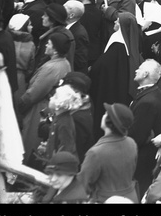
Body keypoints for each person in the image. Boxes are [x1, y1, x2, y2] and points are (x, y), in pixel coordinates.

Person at [18, 31, 72, 167]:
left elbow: (33, 94)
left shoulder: (51, 68)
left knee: (30, 145)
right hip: (48, 109)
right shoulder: (65, 63)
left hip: (38, 110)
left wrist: (19, 107)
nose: (46, 45)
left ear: (54, 49)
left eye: (49, 43)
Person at [78, 102, 139, 203]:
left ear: (109, 122)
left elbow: (82, 185)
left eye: (106, 114)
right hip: (130, 198)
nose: (103, 115)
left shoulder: (96, 153)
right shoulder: (131, 143)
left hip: (105, 200)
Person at [127, 59, 161, 198]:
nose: (136, 70)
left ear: (145, 74)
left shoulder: (148, 102)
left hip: (141, 159)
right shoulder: (154, 93)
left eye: (139, 68)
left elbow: (137, 135)